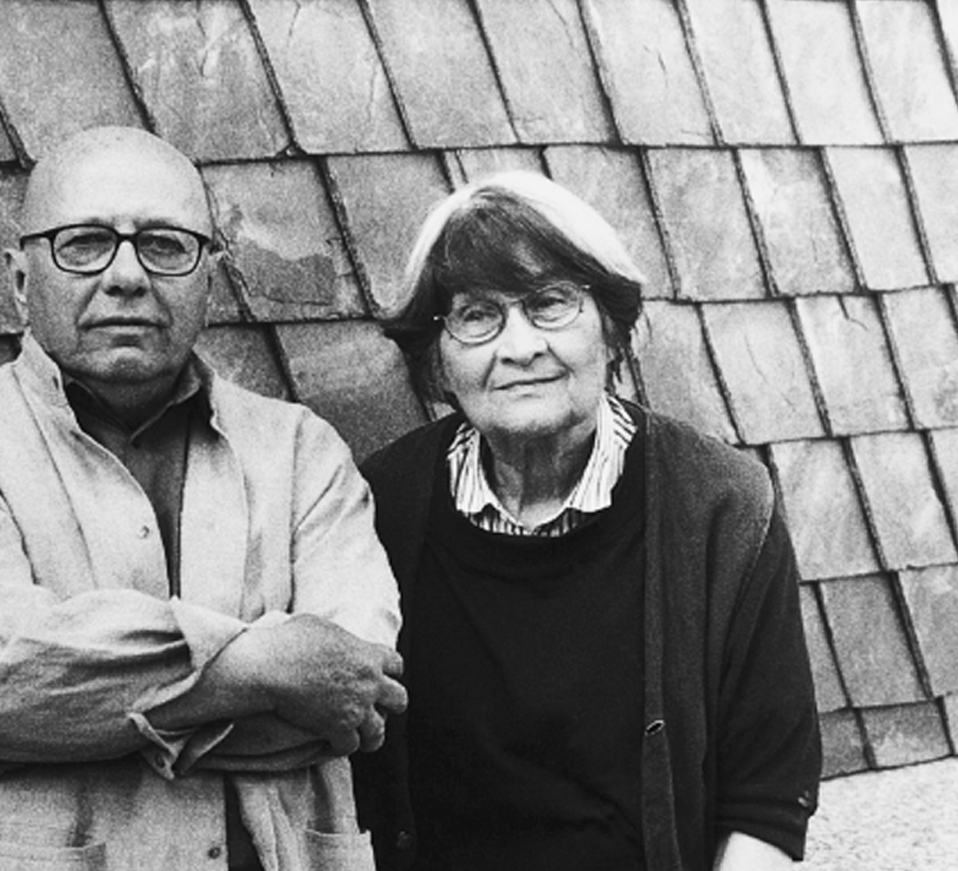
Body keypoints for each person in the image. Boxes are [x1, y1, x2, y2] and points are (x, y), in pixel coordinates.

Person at [0, 126, 406, 871]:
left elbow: (351, 691)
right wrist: (266, 670)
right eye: (83, 243)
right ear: (20, 279)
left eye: (164, 245)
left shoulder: (302, 451)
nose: (125, 276)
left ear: (209, 278)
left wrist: (54, 721)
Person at [352, 171, 821, 871]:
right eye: (477, 315)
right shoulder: (381, 504)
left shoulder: (721, 507)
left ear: (610, 326)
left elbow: (767, 800)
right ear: (438, 356)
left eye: (549, 303)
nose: (518, 347)